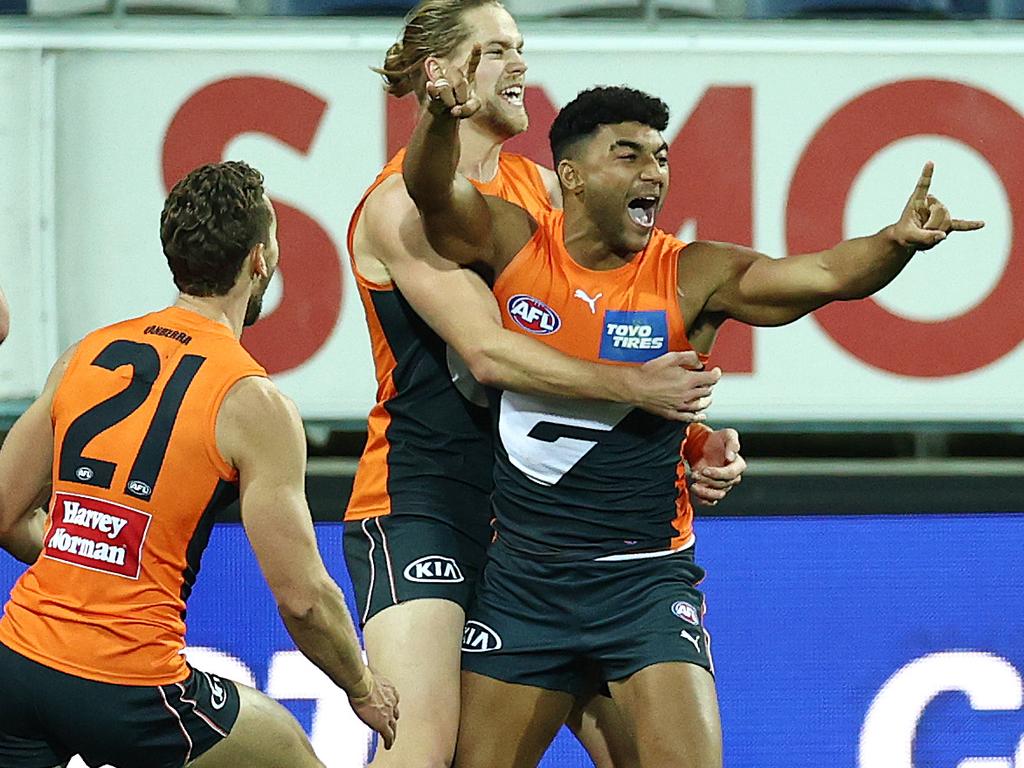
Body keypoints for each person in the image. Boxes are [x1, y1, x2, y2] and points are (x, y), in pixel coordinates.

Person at [403, 69, 984, 767]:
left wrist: (893, 243)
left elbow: (823, 275)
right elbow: (432, 191)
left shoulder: (692, 275)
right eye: (629, 154)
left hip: (644, 586)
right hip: (525, 583)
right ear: (572, 175)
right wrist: (438, 118)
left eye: (661, 156)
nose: (654, 172)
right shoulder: (514, 242)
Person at [345, 2, 746, 767]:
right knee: (421, 751)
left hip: (529, 526)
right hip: (424, 502)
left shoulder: (540, 188)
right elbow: (493, 357)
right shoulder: (400, 203)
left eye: (521, 46)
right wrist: (641, 389)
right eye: (496, 50)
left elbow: (596, 331)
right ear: (441, 74)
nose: (521, 64)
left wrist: (691, 438)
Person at [0, 161, 399, 768]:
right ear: (260, 261)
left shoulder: (88, 351)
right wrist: (362, 689)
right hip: (133, 688)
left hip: (17, 667)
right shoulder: (253, 402)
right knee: (289, 750)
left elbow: (5, 515)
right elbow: (303, 600)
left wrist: (89, 557)